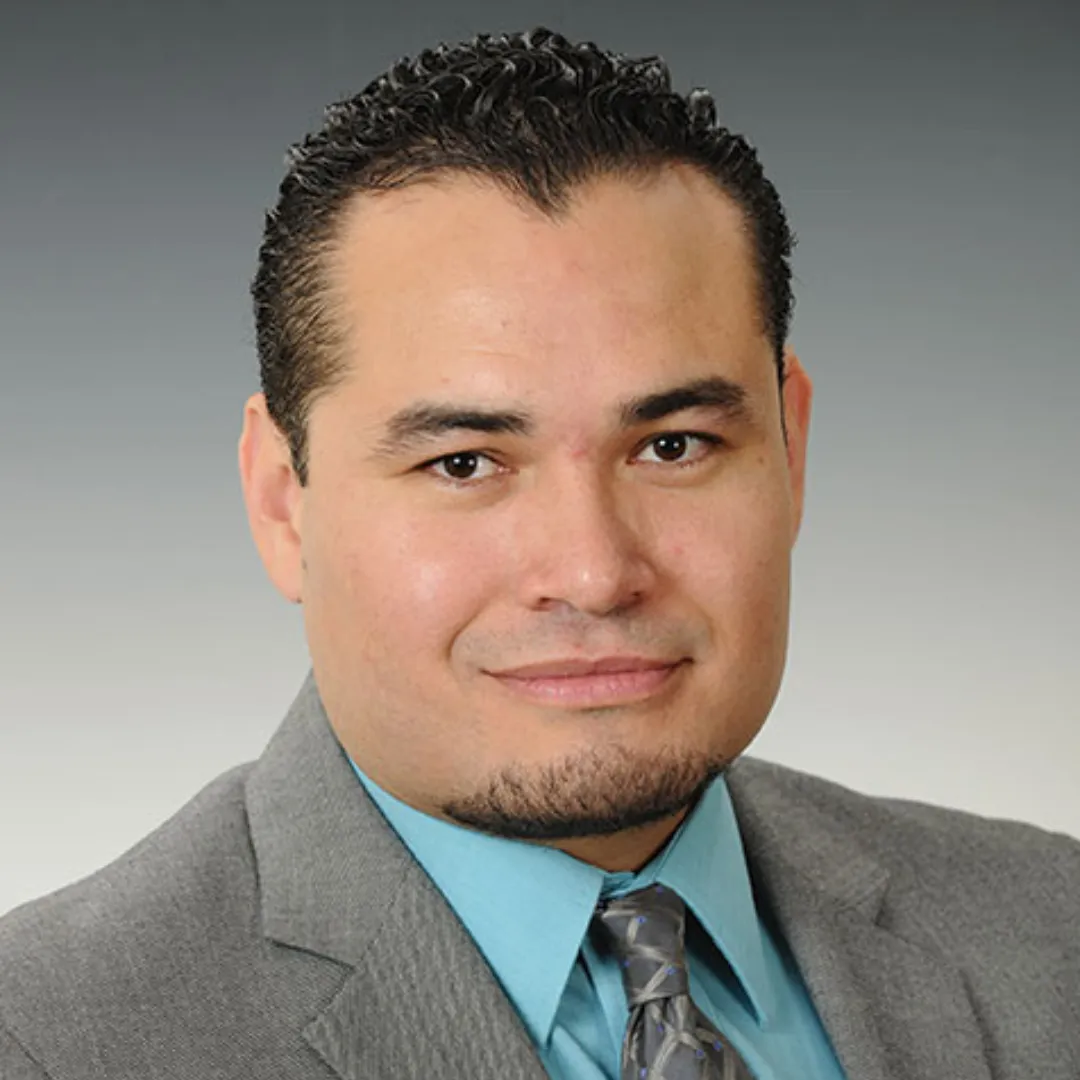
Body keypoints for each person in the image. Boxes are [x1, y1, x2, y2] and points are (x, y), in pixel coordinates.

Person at [1, 26, 1077, 1080]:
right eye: (465, 463)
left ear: (790, 449)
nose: (595, 574)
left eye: (672, 445)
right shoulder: (47, 1044)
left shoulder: (1053, 928)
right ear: (283, 503)